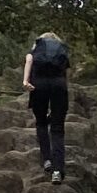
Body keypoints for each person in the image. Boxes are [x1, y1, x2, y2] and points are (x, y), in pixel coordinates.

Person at [22, 31, 70, 178]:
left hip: (39, 85)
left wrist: (25, 81)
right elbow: (65, 72)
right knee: (57, 128)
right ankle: (57, 171)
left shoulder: (37, 49)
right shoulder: (60, 50)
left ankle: (47, 160)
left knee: (41, 123)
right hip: (59, 85)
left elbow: (29, 60)